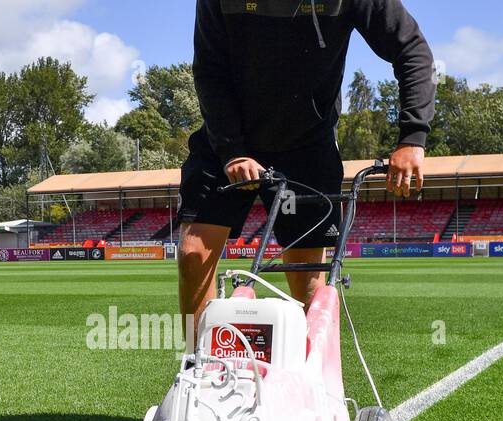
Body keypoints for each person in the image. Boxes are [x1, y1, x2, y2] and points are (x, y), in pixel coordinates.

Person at [178, 0, 435, 339]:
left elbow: (412, 49)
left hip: (307, 145)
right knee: (193, 253)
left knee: (308, 280)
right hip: (225, 138)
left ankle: (318, 384)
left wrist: (412, 138)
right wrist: (232, 152)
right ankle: (197, 369)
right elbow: (209, 69)